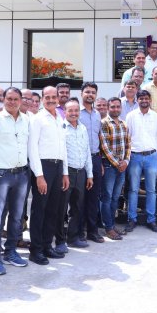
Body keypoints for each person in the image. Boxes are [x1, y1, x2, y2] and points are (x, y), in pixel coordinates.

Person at [0, 87, 33, 273]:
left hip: (21, 174)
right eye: (9, 99)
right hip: (0, 175)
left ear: (21, 101)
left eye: (15, 99)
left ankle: (11, 251)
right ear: (4, 100)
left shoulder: (26, 120)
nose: (12, 102)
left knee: (17, 216)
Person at [28, 86, 70, 260]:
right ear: (42, 98)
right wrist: (39, 175)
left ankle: (47, 246)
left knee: (53, 210)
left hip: (58, 167)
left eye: (54, 96)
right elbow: (32, 149)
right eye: (48, 97)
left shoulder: (60, 117)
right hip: (43, 168)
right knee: (39, 210)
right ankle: (36, 250)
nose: (52, 100)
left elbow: (63, 148)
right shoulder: (38, 119)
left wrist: (65, 173)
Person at [124, 90, 157, 233]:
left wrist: (153, 150)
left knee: (151, 190)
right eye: (141, 98)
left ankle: (151, 220)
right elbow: (128, 137)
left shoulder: (156, 117)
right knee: (133, 189)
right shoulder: (131, 116)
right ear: (137, 100)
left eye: (146, 98)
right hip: (135, 156)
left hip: (151, 156)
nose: (144, 101)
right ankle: (131, 219)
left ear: (149, 100)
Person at [61, 99, 93, 249]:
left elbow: (87, 151)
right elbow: (62, 154)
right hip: (66, 174)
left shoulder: (83, 128)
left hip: (81, 173)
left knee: (77, 207)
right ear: (65, 112)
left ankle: (72, 238)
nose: (73, 113)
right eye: (70, 111)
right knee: (61, 208)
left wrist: (90, 174)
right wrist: (65, 174)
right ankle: (59, 240)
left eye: (76, 111)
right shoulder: (61, 128)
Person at [99, 97, 131, 240]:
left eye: (118, 107)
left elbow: (128, 144)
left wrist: (126, 161)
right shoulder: (104, 123)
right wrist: (117, 163)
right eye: (112, 107)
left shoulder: (124, 124)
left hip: (122, 167)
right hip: (110, 167)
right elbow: (104, 146)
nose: (116, 109)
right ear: (108, 108)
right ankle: (108, 227)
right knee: (107, 198)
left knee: (115, 198)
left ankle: (112, 225)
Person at [79, 82, 105, 244]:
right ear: (82, 94)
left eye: (93, 92)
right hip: (80, 159)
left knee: (94, 196)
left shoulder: (97, 115)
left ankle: (92, 231)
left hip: (95, 158)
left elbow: (99, 139)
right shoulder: (76, 113)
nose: (90, 94)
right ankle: (79, 231)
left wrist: (100, 161)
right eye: (87, 92)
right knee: (79, 197)